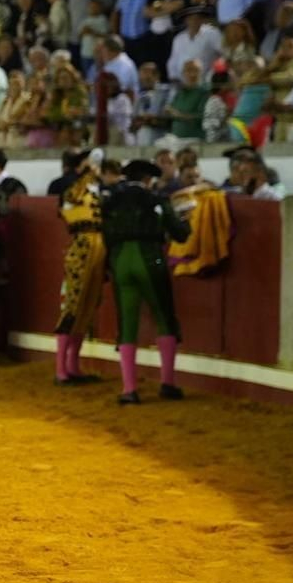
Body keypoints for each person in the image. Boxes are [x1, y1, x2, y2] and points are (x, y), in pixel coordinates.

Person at [103, 158, 191, 405]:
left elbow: (104, 234)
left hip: (120, 260)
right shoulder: (156, 201)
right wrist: (186, 220)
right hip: (149, 257)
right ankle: (167, 383)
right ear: (147, 179)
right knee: (164, 316)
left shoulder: (110, 203)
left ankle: (129, 389)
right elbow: (181, 235)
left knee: (127, 321)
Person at [53, 152, 109, 386]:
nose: (95, 169)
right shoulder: (73, 188)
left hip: (99, 250)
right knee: (72, 306)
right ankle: (60, 369)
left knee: (88, 307)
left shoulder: (101, 191)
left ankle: (73, 365)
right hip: (82, 249)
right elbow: (65, 207)